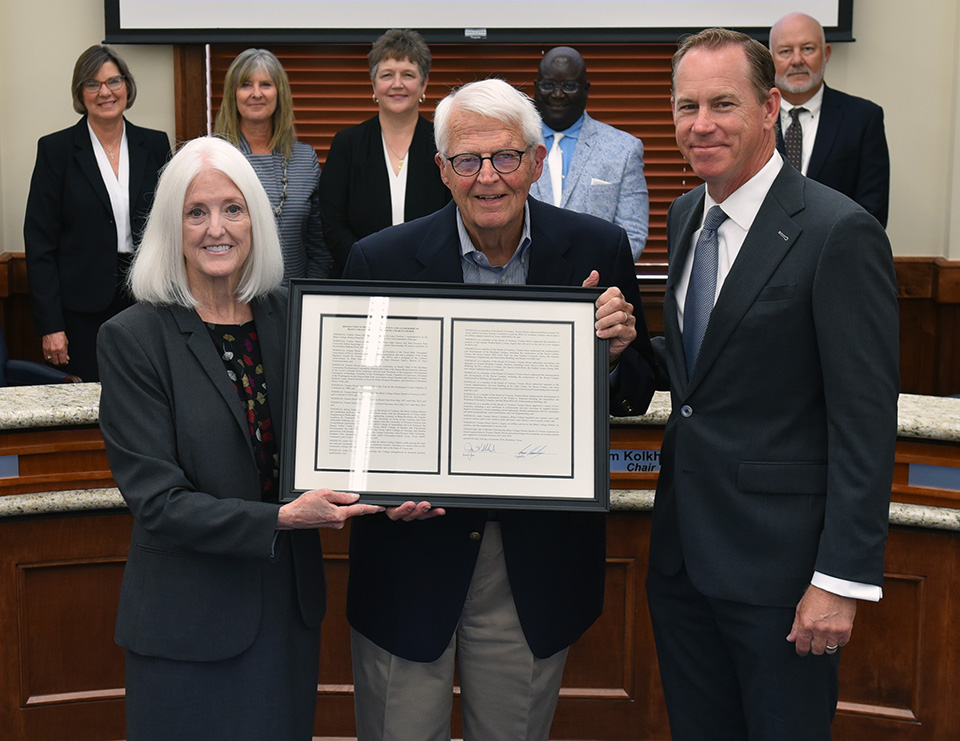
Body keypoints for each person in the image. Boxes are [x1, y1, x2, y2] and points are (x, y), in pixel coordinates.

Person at [342, 78, 656, 740]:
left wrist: (615, 347)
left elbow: (637, 389)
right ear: (442, 171)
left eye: (506, 157)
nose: (488, 177)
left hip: (533, 564)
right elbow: (353, 413)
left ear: (537, 162)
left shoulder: (598, 250)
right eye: (467, 160)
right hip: (410, 553)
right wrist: (378, 483)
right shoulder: (380, 260)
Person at [647, 28, 899, 739]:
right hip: (684, 568)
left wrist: (839, 580)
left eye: (722, 103)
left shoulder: (835, 230)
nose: (701, 124)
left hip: (785, 582)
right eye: (686, 105)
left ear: (768, 110)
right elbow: (711, 363)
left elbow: (865, 419)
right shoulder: (685, 215)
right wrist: (626, 341)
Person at [97, 137, 383, 740]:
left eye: (233, 208)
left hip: (285, 617)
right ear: (169, 229)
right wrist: (282, 518)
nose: (215, 228)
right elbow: (159, 502)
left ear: (256, 219)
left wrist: (395, 483)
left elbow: (348, 435)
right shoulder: (132, 338)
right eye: (195, 213)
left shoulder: (296, 320)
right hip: (186, 625)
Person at [24, 44, 170, 382]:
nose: (105, 92)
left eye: (114, 81)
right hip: (81, 311)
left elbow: (169, 227)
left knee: (146, 397)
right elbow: (39, 244)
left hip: (145, 297)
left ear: (127, 87)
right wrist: (51, 327)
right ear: (81, 93)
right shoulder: (56, 151)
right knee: (92, 406)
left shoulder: (156, 144)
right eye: (92, 83)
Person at [320, 28, 450, 277]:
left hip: (431, 279)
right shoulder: (347, 144)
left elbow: (453, 219)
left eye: (408, 75)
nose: (397, 84)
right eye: (387, 74)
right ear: (373, 83)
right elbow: (333, 227)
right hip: (360, 279)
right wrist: (370, 266)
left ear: (424, 84)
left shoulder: (443, 144)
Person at [214, 48, 332, 281]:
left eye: (266, 85)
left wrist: (307, 295)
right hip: (232, 297)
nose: (256, 93)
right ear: (232, 95)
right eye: (246, 85)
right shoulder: (216, 157)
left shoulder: (304, 158)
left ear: (280, 94)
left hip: (294, 298)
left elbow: (319, 245)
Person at [769, 12, 890, 227]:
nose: (797, 60)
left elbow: (873, 209)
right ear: (771, 59)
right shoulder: (754, 118)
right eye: (785, 51)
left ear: (826, 54)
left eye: (807, 49)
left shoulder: (863, 118)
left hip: (837, 252)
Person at [528, 46, 650, 259]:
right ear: (536, 88)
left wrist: (588, 275)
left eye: (568, 86)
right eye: (549, 85)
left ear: (586, 88)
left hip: (594, 286)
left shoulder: (623, 148)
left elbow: (633, 234)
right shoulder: (513, 146)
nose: (557, 94)